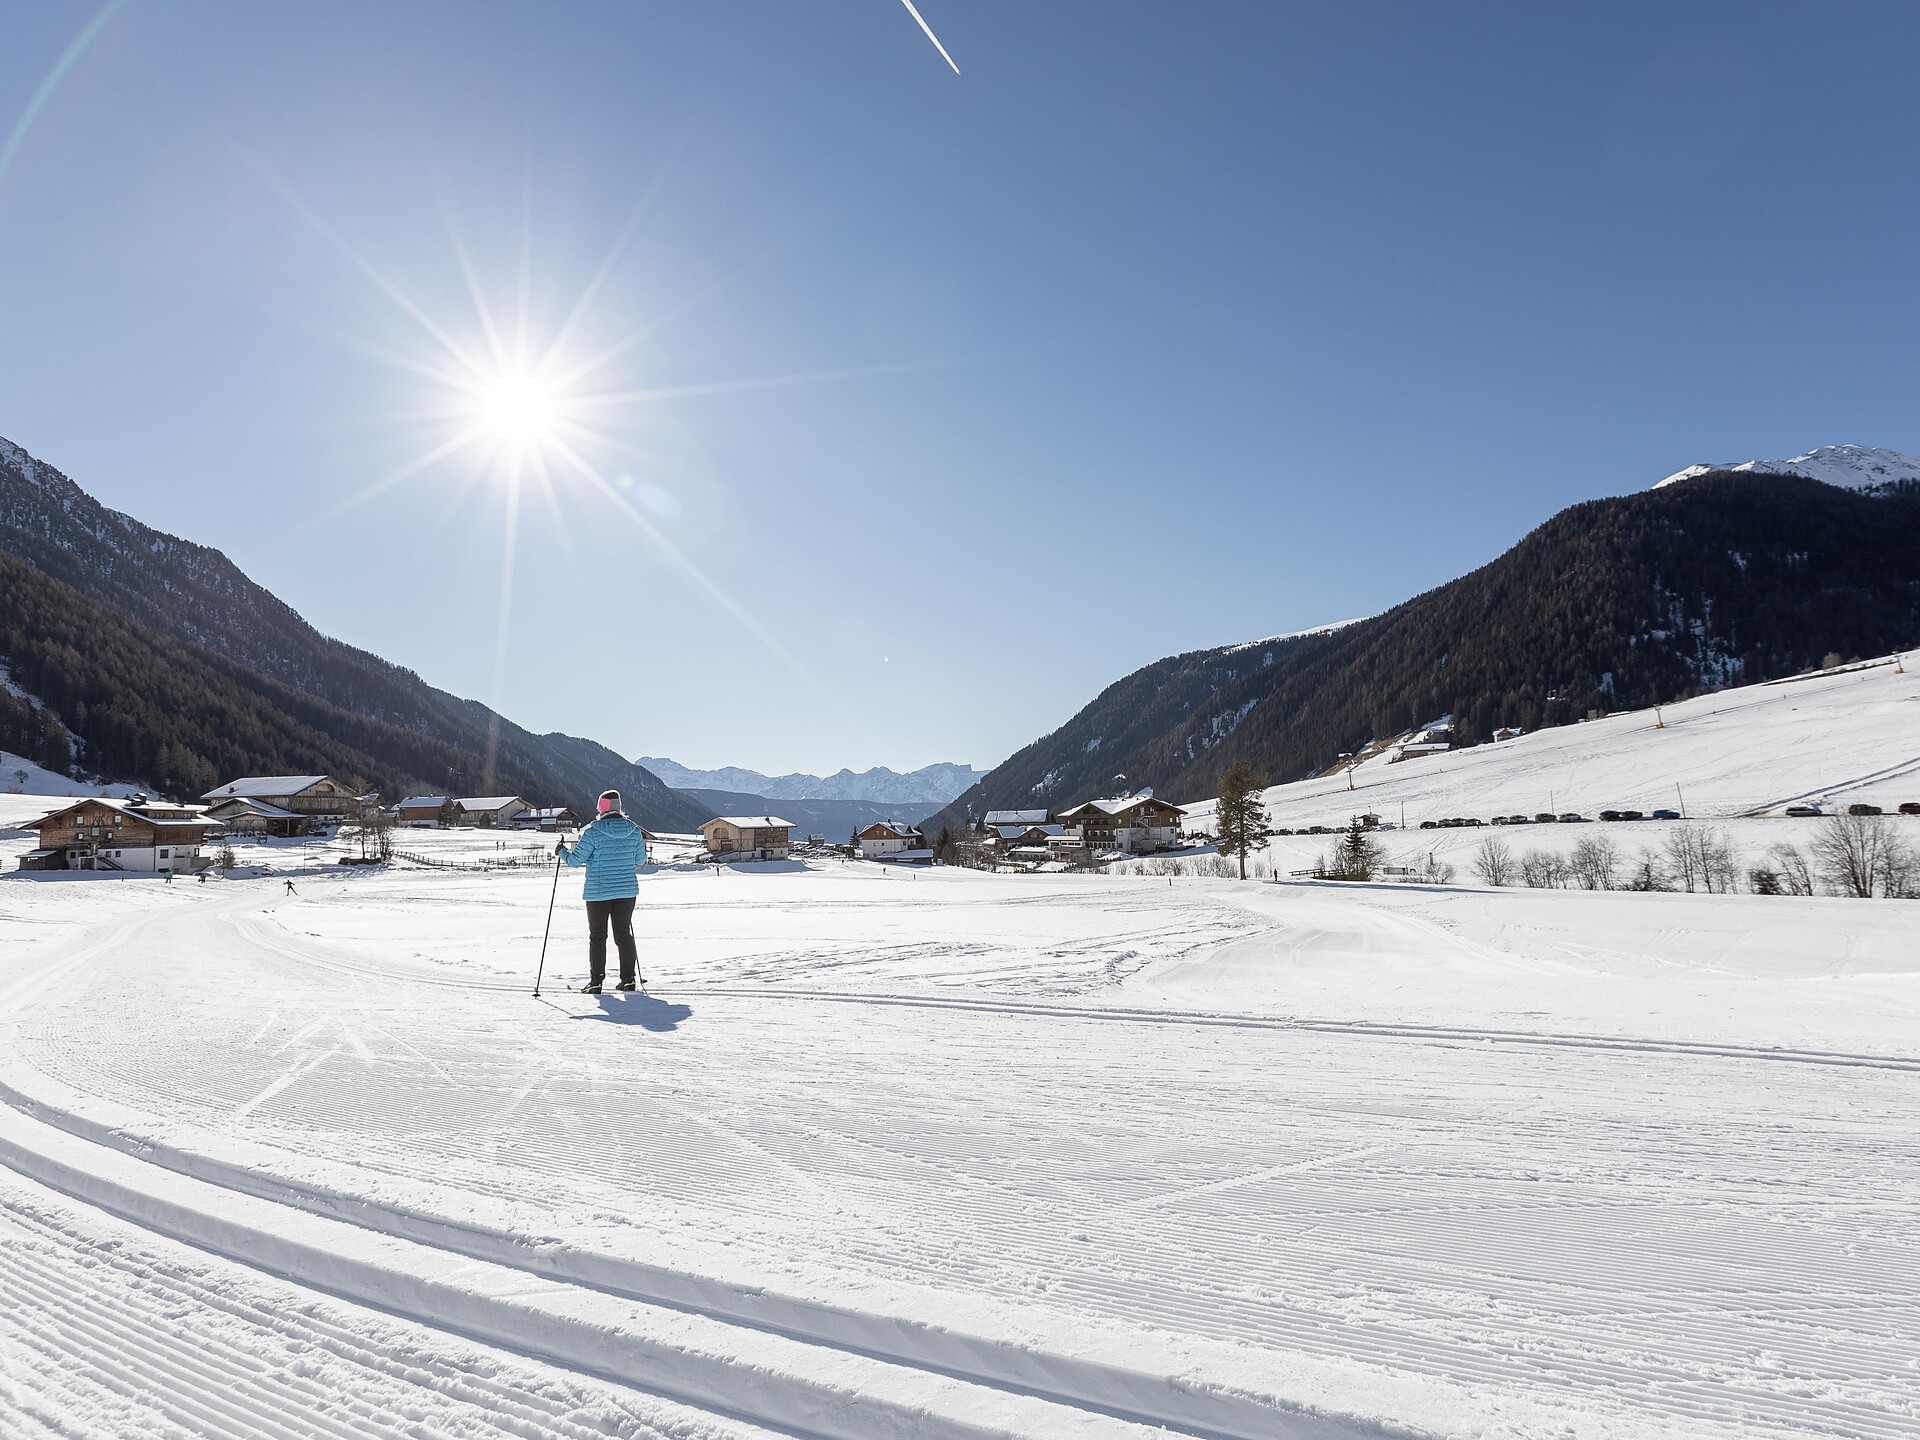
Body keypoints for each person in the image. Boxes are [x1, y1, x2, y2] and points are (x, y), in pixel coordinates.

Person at [556, 790, 648, 994]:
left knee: (598, 937)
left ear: (602, 808)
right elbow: (641, 860)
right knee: (623, 935)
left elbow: (574, 861)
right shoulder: (634, 830)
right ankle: (628, 980)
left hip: (598, 893)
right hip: (626, 892)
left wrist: (561, 851)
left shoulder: (593, 832)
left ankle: (596, 981)